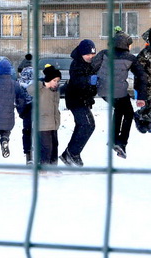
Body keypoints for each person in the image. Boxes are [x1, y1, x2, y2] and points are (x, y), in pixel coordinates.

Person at [92, 30, 147, 159]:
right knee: (128, 113)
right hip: (119, 92)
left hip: (103, 91)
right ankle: (121, 143)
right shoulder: (130, 58)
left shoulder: (104, 53)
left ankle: (112, 139)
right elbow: (142, 76)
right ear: (126, 45)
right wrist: (142, 96)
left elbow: (92, 68)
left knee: (119, 110)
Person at [61, 39, 99, 167]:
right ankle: (72, 153)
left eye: (92, 55)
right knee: (88, 124)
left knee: (83, 125)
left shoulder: (90, 64)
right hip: (75, 100)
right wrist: (89, 80)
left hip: (84, 100)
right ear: (82, 53)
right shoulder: (76, 64)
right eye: (87, 54)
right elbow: (77, 81)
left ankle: (70, 154)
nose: (90, 57)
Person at [31, 65, 62, 166]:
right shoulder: (40, 89)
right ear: (48, 80)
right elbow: (29, 90)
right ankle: (43, 166)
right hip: (42, 124)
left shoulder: (56, 91)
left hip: (54, 123)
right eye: (54, 80)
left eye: (58, 81)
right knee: (46, 147)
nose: (56, 83)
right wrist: (44, 83)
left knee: (54, 146)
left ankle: (53, 167)